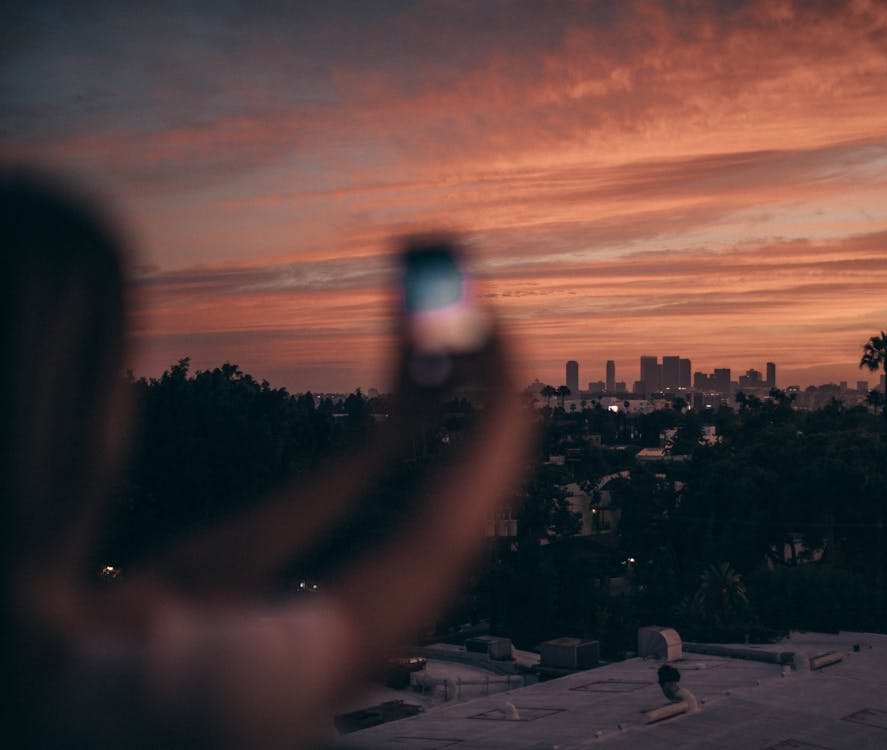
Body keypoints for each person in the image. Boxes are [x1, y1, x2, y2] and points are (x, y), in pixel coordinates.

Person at [0, 168, 534, 748]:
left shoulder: (63, 656)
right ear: (75, 413)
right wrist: (505, 400)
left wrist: (384, 443)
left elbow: (179, 584)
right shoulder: (141, 693)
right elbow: (425, 557)